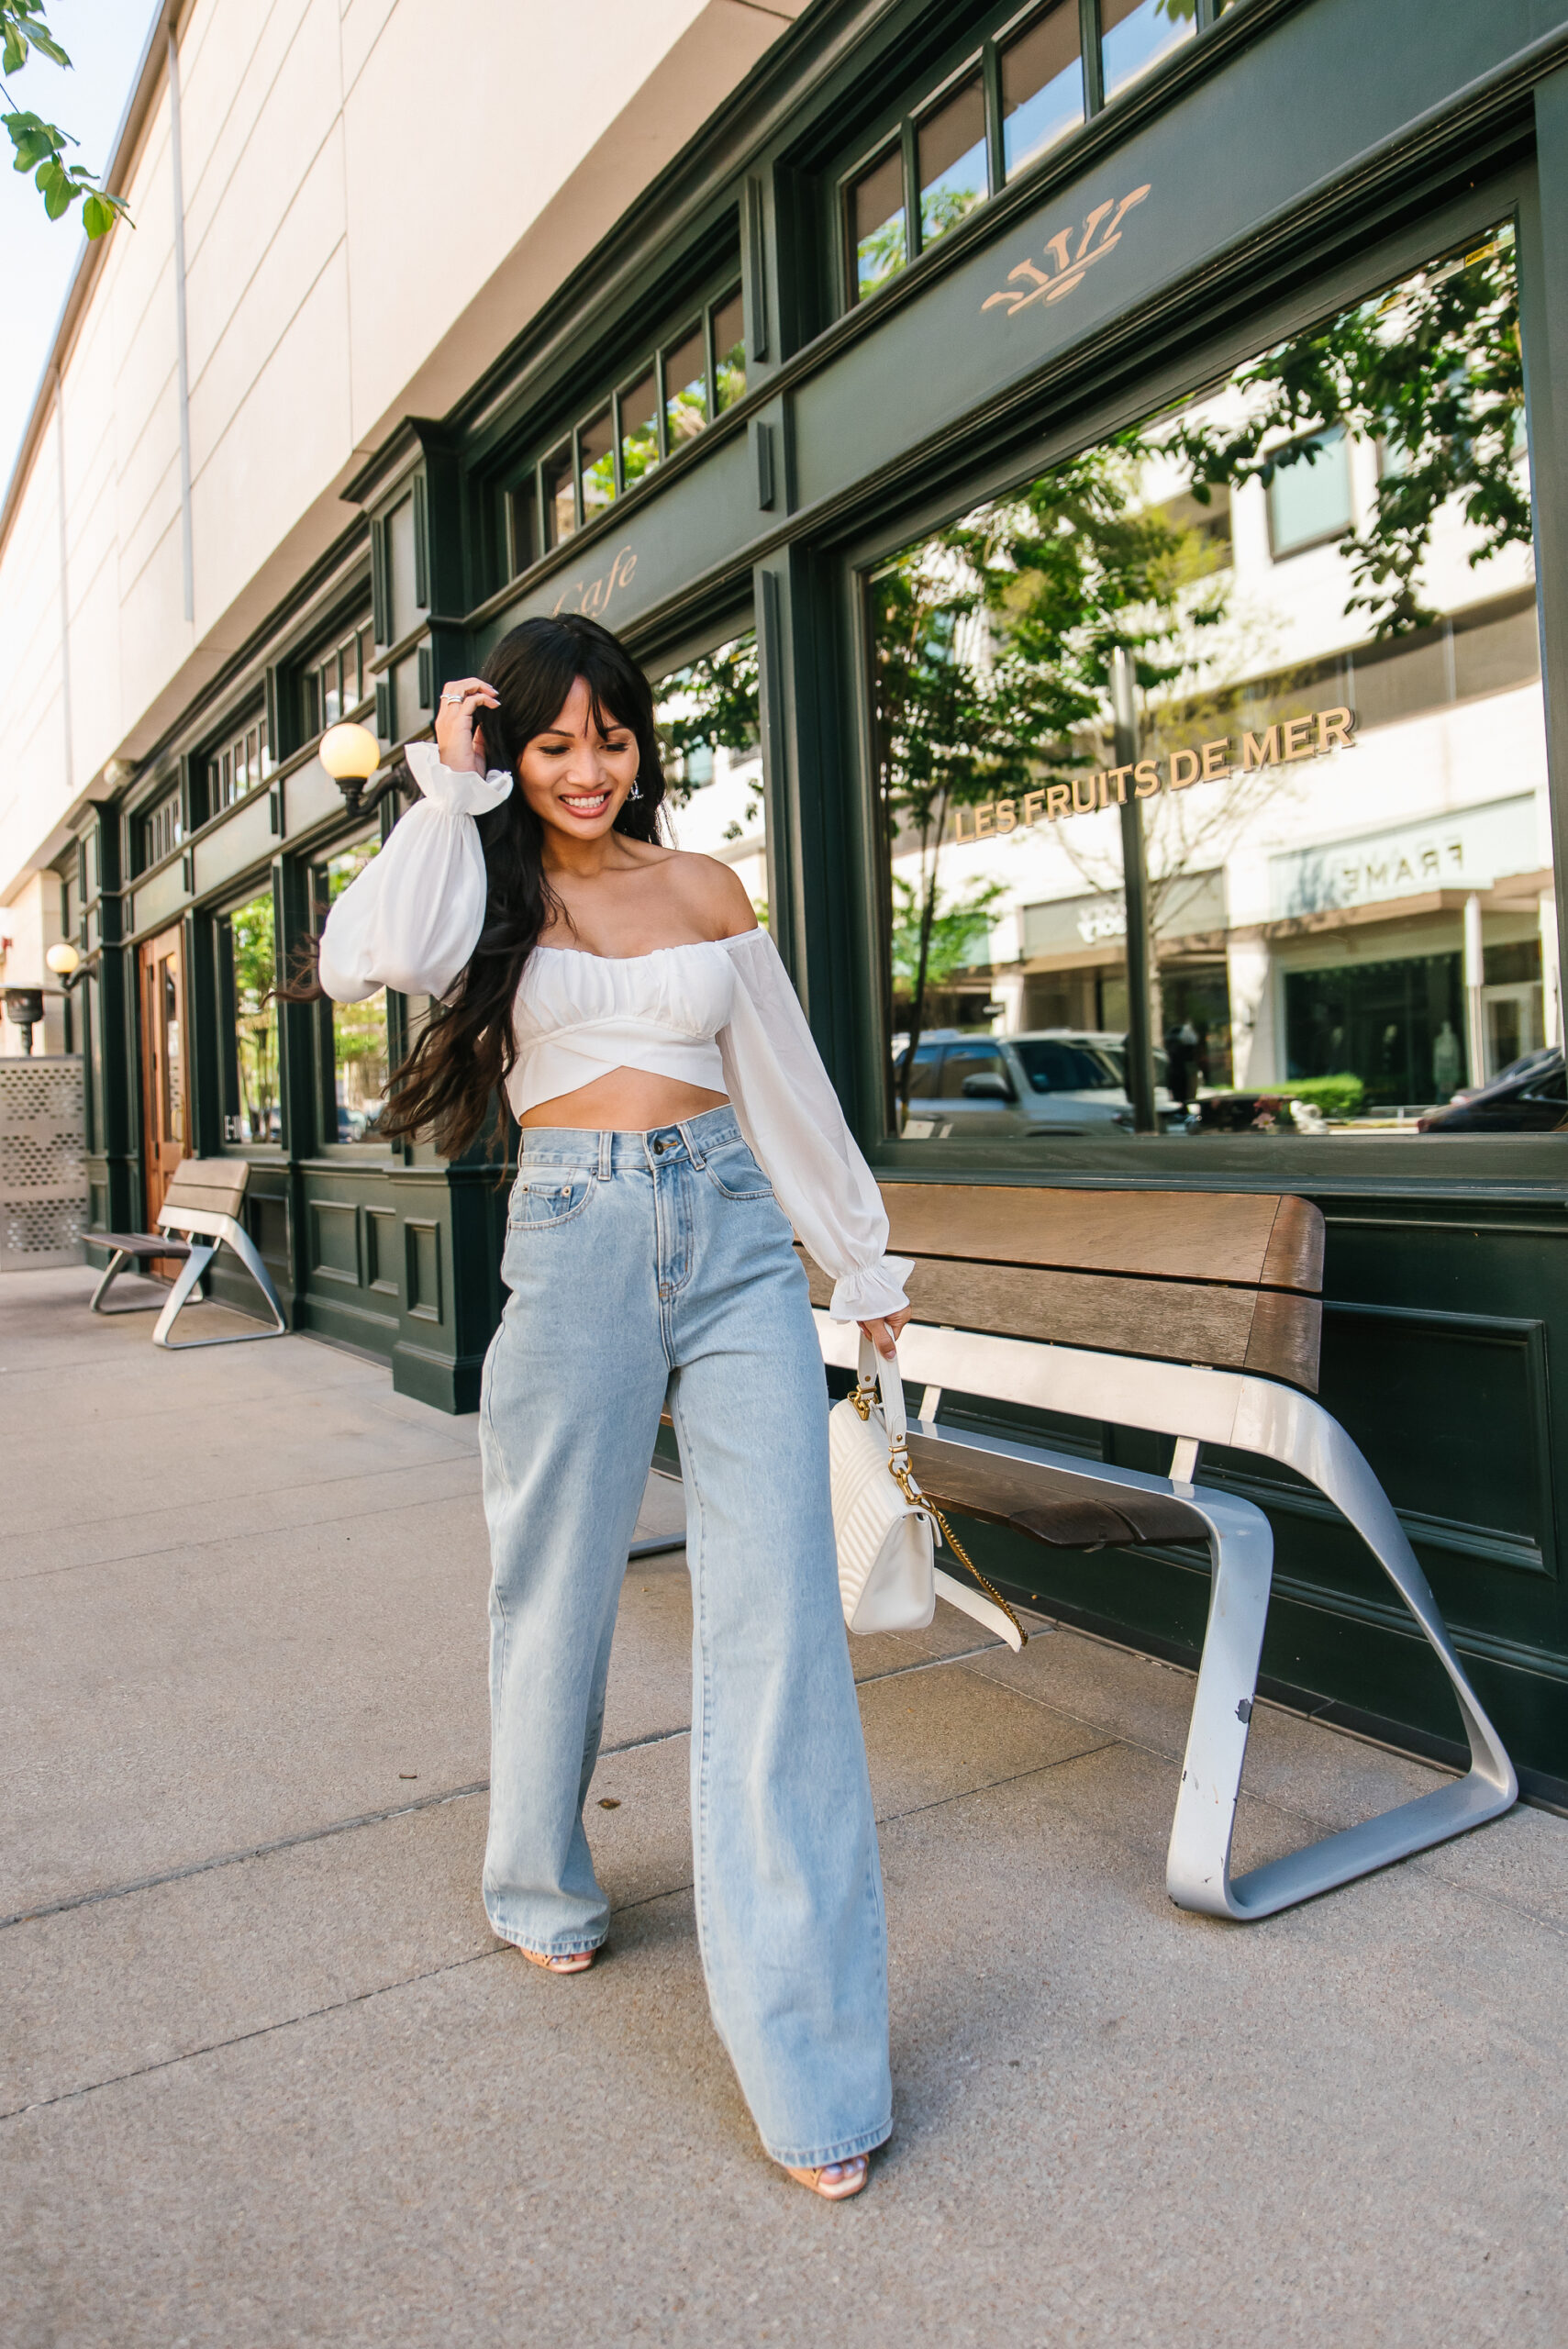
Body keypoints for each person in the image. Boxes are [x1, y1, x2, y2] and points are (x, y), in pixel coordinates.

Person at [316, 614, 911, 2201]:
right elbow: (355, 956)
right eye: (551, 742)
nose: (586, 771)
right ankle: (538, 1879)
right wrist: (447, 793)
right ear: (510, 746)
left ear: (645, 743)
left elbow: (785, 1085)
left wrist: (858, 1261)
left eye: (612, 737)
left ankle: (814, 2073)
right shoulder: (487, 895)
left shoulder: (707, 889)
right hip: (573, 1243)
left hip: (728, 1239)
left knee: (780, 1622)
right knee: (555, 1588)